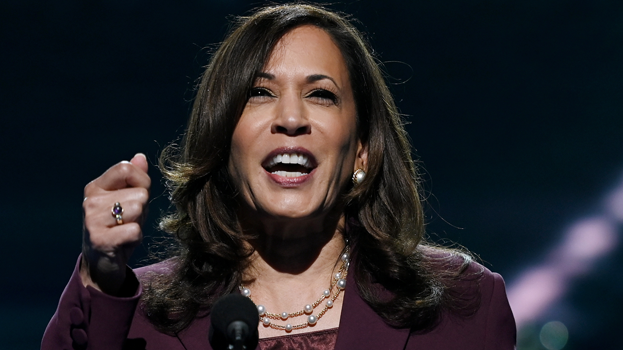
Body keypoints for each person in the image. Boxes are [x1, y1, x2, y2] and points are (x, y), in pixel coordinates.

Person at [42, 3, 516, 349]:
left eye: (322, 95)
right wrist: (102, 278)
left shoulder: (465, 306)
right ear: (222, 143)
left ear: (363, 152)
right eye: (260, 93)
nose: (291, 117)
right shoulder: (136, 318)